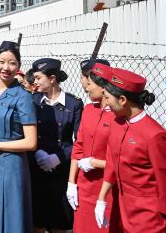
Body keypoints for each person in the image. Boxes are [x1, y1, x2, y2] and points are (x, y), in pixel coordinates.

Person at [95, 68, 166, 233]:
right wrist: (101, 199)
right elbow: (112, 162)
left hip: (149, 221)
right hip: (124, 213)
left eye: (107, 98)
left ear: (122, 100)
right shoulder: (117, 123)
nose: (105, 103)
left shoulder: (155, 136)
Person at [0, 41, 38, 233]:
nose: (6, 68)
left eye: (12, 63)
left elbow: (30, 142)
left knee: (11, 218)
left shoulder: (23, 97)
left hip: (12, 166)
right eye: (2, 62)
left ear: (19, 67)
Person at [30, 58, 83, 233]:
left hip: (61, 173)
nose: (34, 82)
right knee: (37, 223)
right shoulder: (33, 101)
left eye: (38, 78)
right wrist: (36, 152)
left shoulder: (74, 104)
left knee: (59, 224)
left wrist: (58, 158)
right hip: (36, 170)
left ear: (52, 78)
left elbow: (80, 142)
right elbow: (26, 132)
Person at [67, 60, 122, 232]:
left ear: (103, 86)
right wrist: (71, 183)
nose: (87, 87)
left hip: (107, 188)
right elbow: (79, 146)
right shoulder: (89, 110)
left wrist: (95, 163)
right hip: (84, 187)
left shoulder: (118, 116)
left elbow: (122, 160)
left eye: (89, 83)